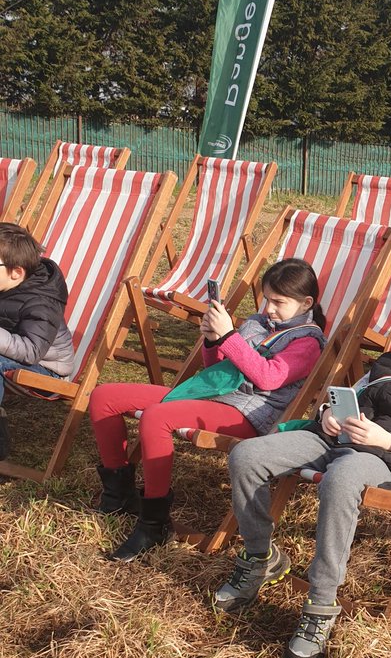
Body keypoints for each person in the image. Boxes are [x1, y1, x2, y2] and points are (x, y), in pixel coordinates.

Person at [214, 278, 391, 658]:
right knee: (247, 455)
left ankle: (320, 604)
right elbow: (341, 399)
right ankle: (259, 557)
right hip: (336, 441)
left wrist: (387, 440)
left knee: (342, 476)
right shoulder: (387, 364)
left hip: (390, 461)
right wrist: (329, 417)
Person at [89, 258, 326, 562]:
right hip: (213, 397)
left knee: (157, 417)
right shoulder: (257, 322)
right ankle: (118, 495)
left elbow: (268, 377)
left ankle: (153, 522)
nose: (269, 308)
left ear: (306, 302)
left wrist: (229, 337)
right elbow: (216, 369)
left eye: (278, 301)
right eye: (267, 298)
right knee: (105, 396)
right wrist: (213, 341)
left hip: (249, 415)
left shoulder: (307, 340)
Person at [0, 222, 74, 462]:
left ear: (16, 272)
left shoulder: (41, 302)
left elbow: (32, 351)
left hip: (45, 370)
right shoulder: (6, 284)